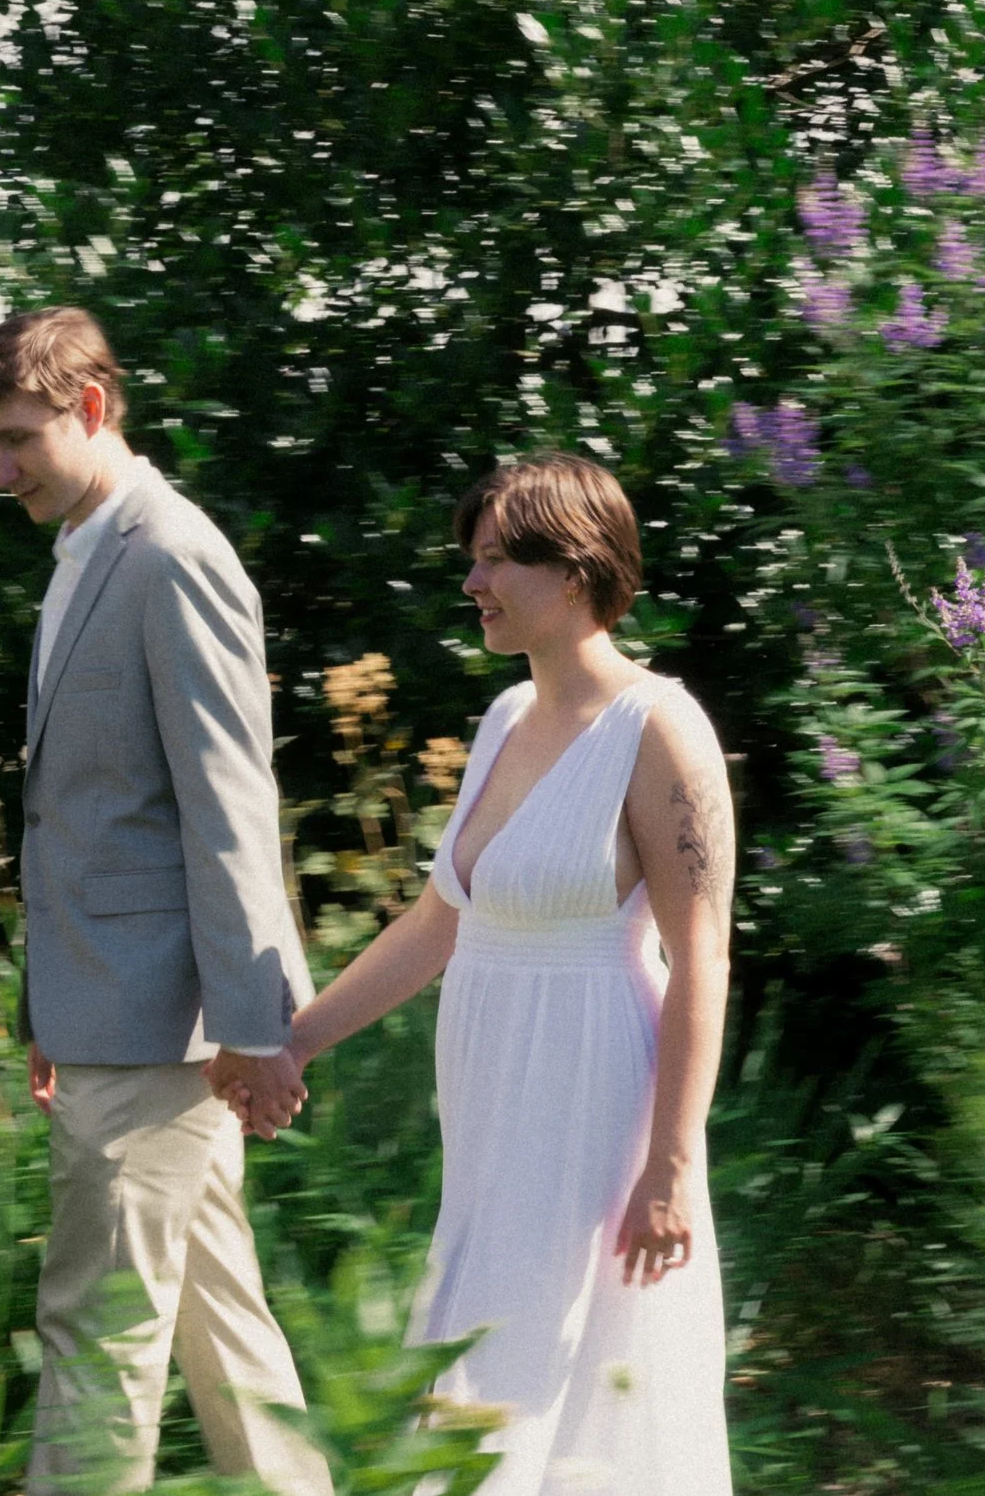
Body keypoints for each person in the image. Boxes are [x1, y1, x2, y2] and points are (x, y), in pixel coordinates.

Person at [229, 453, 736, 1495]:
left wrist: (670, 1163)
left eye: (498, 559)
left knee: (553, 1369)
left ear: (580, 569)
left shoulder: (659, 728)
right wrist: (295, 1040)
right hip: (492, 1105)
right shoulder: (506, 717)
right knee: (485, 1351)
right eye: (474, 558)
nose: (473, 583)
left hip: (593, 1103)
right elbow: (437, 923)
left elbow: (702, 959)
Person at [0, 306, 331, 1496]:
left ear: (93, 409)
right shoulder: (84, 556)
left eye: (18, 439)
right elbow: (91, 823)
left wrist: (254, 1018)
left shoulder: (170, 553)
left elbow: (229, 805)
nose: (2, 470)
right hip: (107, 1014)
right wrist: (49, 1007)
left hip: (159, 1026)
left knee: (97, 1332)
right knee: (222, 1333)